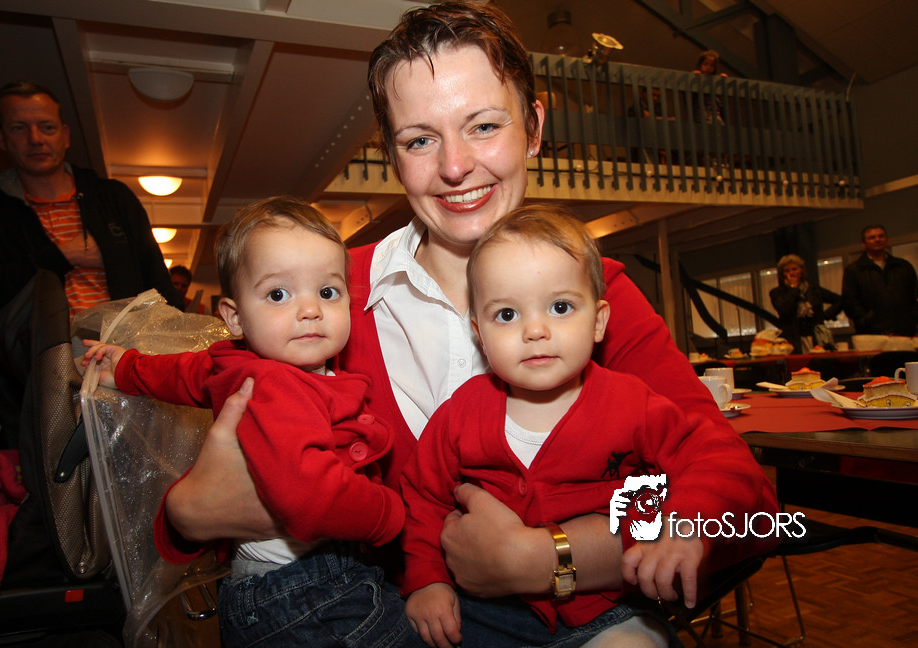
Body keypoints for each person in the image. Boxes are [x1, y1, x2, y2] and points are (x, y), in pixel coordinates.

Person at [159, 3, 779, 645]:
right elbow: (227, 458)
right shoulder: (324, 298)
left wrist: (547, 558)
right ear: (391, 155)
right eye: (419, 140)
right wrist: (186, 517)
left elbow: (751, 509)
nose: (455, 166)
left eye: (483, 126)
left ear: (533, 128)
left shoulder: (602, 296)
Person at [400, 206, 774, 648]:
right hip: (484, 613)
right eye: (507, 315)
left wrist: (684, 524)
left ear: (598, 322)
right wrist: (427, 580)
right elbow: (423, 498)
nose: (535, 330)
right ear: (479, 332)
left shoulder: (633, 404)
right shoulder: (460, 414)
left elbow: (719, 459)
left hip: (607, 609)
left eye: (560, 307)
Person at [83, 197, 421, 647]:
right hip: (309, 591)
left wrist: (126, 368)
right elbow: (311, 497)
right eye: (278, 294)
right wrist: (390, 516)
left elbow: (182, 372)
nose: (310, 310)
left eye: (328, 292)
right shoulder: (278, 385)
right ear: (235, 317)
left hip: (268, 588)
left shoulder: (237, 365)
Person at [0, 81, 183, 319]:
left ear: (65, 136)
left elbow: (159, 284)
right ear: (1, 138)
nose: (35, 139)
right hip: (42, 343)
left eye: (47, 127)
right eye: (19, 128)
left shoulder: (112, 197)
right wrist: (62, 255)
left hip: (124, 341)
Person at [841, 225, 918, 337]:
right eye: (872, 237)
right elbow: (849, 301)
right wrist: (866, 319)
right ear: (863, 243)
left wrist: (912, 318)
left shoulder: (903, 266)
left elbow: (914, 295)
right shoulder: (854, 270)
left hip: (904, 331)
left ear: (886, 240)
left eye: (881, 236)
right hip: (871, 333)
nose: (877, 240)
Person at [769, 254, 842, 352]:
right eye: (787, 271)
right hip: (792, 338)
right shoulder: (778, 292)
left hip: (816, 336)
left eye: (794, 269)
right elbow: (784, 308)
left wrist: (825, 315)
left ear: (801, 270)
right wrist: (793, 289)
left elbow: (840, 300)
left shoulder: (813, 290)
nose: (791, 273)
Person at [692, 50, 725, 124]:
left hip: (715, 112)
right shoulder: (697, 77)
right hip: (704, 112)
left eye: (712, 65)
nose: (708, 67)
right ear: (700, 65)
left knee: (720, 125)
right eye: (705, 64)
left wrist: (722, 78)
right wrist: (694, 75)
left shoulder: (714, 80)